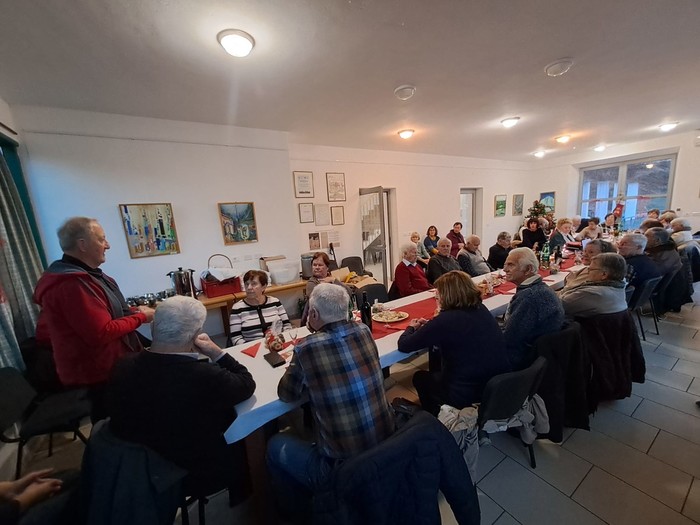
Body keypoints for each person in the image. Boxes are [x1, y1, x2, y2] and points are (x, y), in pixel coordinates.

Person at [267, 284, 395, 521]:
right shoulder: (364, 330)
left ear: (313, 313)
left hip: (342, 467)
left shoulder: (306, 348)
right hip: (385, 448)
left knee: (275, 445)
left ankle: (298, 513)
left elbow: (287, 394)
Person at [107, 296, 256, 498]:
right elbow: (246, 384)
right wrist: (217, 353)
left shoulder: (122, 366)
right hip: (195, 471)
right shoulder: (203, 375)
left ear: (153, 328)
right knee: (251, 424)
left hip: (140, 469)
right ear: (195, 335)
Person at [33, 216, 155, 420]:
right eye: (101, 239)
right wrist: (141, 317)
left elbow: (108, 312)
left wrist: (133, 312)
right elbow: (101, 332)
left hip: (111, 365)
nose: (107, 245)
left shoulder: (91, 277)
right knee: (114, 423)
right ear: (82, 245)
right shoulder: (70, 284)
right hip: (96, 372)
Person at [397, 271, 510, 415]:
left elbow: (404, 345)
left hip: (467, 392)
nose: (437, 298)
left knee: (420, 377)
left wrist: (411, 327)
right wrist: (434, 325)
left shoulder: (446, 320)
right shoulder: (480, 308)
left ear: (446, 296)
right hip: (495, 385)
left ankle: (437, 417)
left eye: (438, 295)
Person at [502, 248, 564, 370]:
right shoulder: (540, 289)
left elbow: (510, 339)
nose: (505, 269)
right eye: (505, 264)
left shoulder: (530, 297)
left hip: (523, 361)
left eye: (511, 265)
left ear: (528, 269)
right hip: (542, 356)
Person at [229, 269, 291, 345]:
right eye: (246, 284)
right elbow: (236, 338)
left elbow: (287, 326)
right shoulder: (237, 308)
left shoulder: (275, 302)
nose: (249, 287)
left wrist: (280, 342)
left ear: (263, 287)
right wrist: (251, 349)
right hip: (251, 348)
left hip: (277, 344)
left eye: (254, 284)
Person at [559, 253, 628, 318]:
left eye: (590, 269)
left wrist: (570, 282)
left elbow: (558, 306)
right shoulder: (619, 285)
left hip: (583, 325)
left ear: (604, 274)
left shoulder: (593, 293)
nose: (587, 272)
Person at [302, 252, 346, 324]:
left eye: (320, 265)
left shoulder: (332, 279)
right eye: (314, 265)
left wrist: (334, 280)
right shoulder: (311, 283)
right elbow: (322, 303)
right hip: (320, 320)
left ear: (327, 267)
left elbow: (348, 293)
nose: (317, 267)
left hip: (337, 316)